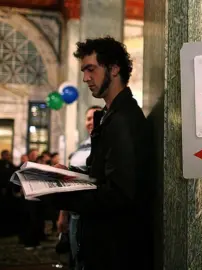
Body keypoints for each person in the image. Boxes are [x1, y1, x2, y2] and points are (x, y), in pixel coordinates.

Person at [43, 36, 154, 270]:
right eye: (84, 71)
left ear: (114, 69)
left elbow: (119, 195)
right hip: (106, 245)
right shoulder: (111, 115)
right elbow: (102, 174)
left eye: (91, 69)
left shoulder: (123, 119)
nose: (85, 78)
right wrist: (68, 175)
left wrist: (60, 194)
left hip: (116, 252)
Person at [57, 105, 101, 270]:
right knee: (75, 257)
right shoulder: (82, 145)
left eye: (95, 118)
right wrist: (63, 214)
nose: (91, 122)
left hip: (91, 215)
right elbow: (69, 182)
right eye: (88, 118)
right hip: (74, 214)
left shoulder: (105, 144)